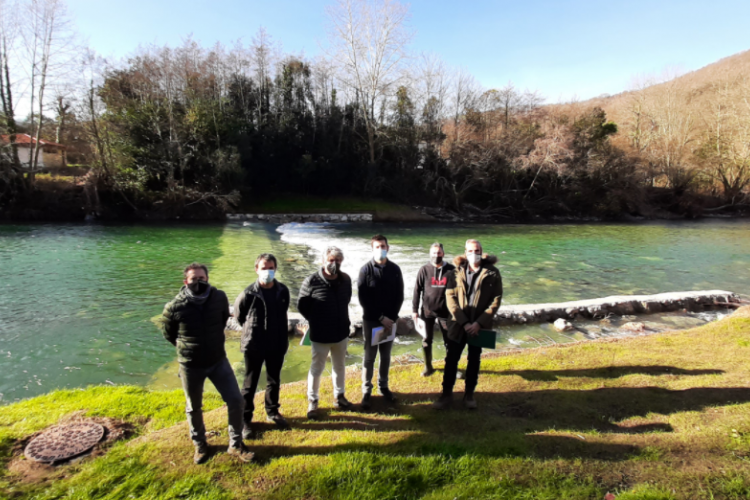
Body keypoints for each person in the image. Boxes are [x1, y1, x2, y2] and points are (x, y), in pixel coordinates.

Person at [160, 263, 253, 464]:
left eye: (202, 278)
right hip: (190, 365)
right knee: (194, 407)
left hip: (218, 360)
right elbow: (169, 334)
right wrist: (188, 348)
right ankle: (200, 444)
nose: (198, 282)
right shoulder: (175, 306)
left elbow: (221, 322)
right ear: (186, 282)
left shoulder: (219, 297)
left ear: (207, 279)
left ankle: (235, 444)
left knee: (236, 400)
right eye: (194, 279)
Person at [433, 240, 502, 410]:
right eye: (470, 250)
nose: (474, 253)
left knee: (474, 360)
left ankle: (469, 395)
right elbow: (451, 301)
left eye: (477, 250)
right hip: (458, 325)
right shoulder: (453, 273)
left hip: (480, 327)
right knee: (451, 360)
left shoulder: (493, 273)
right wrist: (464, 323)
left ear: (482, 251)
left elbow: (496, 300)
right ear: (465, 252)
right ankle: (446, 394)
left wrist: (479, 323)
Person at [233, 253, 291, 438]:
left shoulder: (283, 291)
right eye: (264, 268)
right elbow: (239, 316)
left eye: (271, 268)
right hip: (254, 344)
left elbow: (284, 311)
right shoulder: (248, 293)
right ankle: (245, 420)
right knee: (250, 383)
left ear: (276, 269)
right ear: (256, 269)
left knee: (274, 380)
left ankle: (272, 412)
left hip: (277, 342)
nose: (267, 271)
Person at [297, 246, 354, 419]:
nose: (334, 264)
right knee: (317, 367)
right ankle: (313, 401)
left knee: (339, 366)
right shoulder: (311, 281)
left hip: (341, 332)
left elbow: (347, 299)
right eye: (331, 260)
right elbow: (302, 305)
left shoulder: (346, 280)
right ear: (323, 261)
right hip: (320, 334)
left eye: (337, 260)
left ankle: (340, 396)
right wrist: (316, 320)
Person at [357, 234, 404, 409]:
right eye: (377, 247)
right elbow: (363, 298)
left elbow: (399, 296)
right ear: (372, 249)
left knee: (385, 355)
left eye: (383, 246)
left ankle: (383, 386)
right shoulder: (365, 270)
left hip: (390, 320)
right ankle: (366, 390)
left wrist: (391, 317)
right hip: (371, 320)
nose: (380, 249)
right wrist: (380, 317)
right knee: (369, 357)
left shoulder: (395, 269)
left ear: (388, 248)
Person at [412, 242, 455, 376]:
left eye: (439, 253)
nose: (436, 255)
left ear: (443, 253)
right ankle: (428, 366)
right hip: (427, 312)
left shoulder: (451, 270)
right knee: (426, 340)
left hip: (445, 312)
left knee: (449, 341)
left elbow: (458, 291)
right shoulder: (424, 269)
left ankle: (451, 367)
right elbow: (417, 290)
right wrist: (414, 311)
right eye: (434, 253)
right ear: (430, 254)